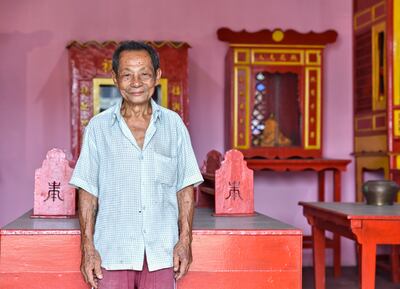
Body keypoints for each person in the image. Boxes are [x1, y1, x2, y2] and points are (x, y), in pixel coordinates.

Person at [70, 41, 203, 289]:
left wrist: (185, 241)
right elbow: (87, 191)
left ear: (157, 76)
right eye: (127, 75)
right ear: (115, 79)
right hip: (112, 251)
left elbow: (185, 187)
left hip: (161, 254)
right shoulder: (98, 128)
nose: (136, 82)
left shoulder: (174, 126)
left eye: (144, 74)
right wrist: (87, 247)